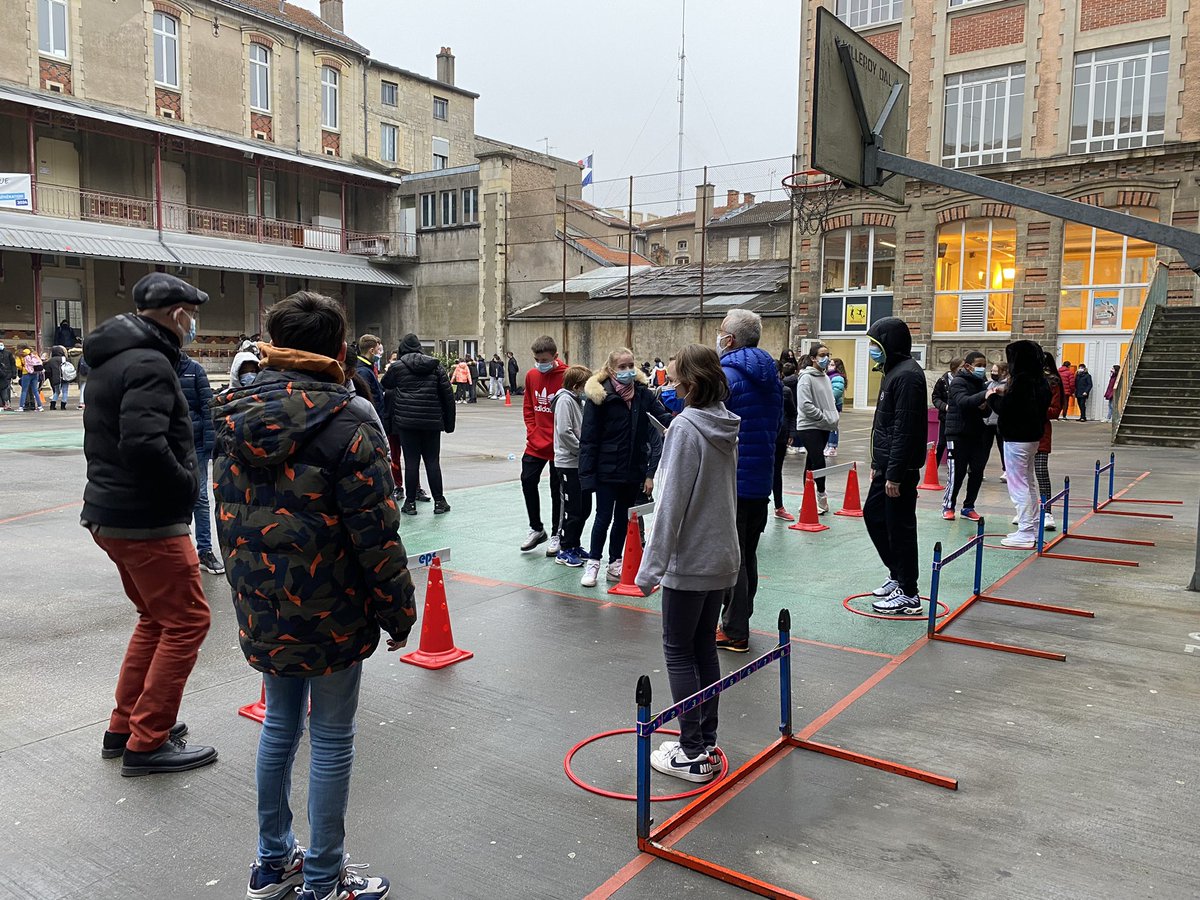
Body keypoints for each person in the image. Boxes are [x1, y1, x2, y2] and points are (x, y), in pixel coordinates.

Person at [211, 291, 415, 900]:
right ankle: (324, 875)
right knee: (329, 736)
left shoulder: (231, 410)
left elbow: (225, 518)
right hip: (330, 609)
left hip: (262, 605)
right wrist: (398, 611)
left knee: (279, 725)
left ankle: (272, 860)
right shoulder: (350, 418)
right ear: (338, 348)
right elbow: (376, 532)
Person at [82, 272, 216, 775]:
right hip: (146, 520)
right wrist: (186, 487)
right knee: (187, 622)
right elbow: (143, 443)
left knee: (156, 618)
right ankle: (147, 740)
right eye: (191, 312)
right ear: (176, 314)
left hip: (112, 513)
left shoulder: (113, 358)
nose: (193, 322)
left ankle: (126, 726)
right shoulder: (149, 364)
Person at [636, 343, 740, 783]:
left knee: (679, 651)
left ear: (692, 385)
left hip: (691, 559)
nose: (671, 389)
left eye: (676, 382)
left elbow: (670, 505)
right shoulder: (725, 425)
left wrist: (649, 569)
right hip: (720, 557)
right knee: (702, 649)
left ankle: (692, 749)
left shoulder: (685, 428)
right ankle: (704, 741)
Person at [715, 308, 783, 651]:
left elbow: (709, 418)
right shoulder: (770, 375)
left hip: (733, 479)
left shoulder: (726, 374)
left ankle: (735, 629)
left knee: (732, 558)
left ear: (730, 339)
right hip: (759, 478)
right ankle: (739, 620)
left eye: (721, 331)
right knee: (748, 555)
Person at [578, 348, 671, 587]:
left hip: (632, 470)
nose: (628, 370)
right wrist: (587, 478)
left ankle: (614, 563)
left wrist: (682, 423)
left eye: (631, 365)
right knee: (603, 517)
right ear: (610, 370)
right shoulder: (599, 398)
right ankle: (593, 562)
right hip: (606, 470)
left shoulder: (642, 394)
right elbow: (588, 440)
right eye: (622, 367)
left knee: (622, 518)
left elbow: (662, 416)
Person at [863, 317, 928, 615]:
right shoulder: (893, 372)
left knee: (900, 527)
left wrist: (894, 473)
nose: (872, 351)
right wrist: (879, 464)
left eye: (875, 345)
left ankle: (909, 592)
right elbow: (885, 426)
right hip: (887, 466)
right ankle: (897, 574)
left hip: (899, 471)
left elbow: (904, 429)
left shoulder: (908, 376)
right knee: (874, 515)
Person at [381, 333, 455, 515]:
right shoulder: (435, 366)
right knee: (432, 461)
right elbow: (448, 396)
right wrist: (449, 424)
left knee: (411, 462)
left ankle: (410, 503)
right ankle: (439, 502)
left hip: (407, 423)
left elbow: (386, 384)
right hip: (432, 422)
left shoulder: (397, 367)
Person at [987, 341, 1051, 549]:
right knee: (1028, 483)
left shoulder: (1022, 382)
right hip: (1032, 438)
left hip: (1017, 438)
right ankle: (1032, 526)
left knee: (1019, 486)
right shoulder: (1040, 381)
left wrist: (992, 397)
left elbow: (1009, 409)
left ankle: (1025, 531)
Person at [174, 349, 222, 576]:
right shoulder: (154, 369)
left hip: (196, 444)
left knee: (201, 497)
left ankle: (205, 551)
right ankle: (176, 553)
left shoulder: (194, 370)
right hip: (168, 445)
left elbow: (207, 407)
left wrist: (211, 443)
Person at [518, 336, 567, 554]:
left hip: (559, 445)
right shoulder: (531, 375)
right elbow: (529, 406)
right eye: (537, 359)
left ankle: (557, 533)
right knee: (527, 480)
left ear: (555, 357)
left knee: (557, 490)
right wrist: (532, 430)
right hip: (536, 443)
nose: (540, 363)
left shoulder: (567, 376)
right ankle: (536, 528)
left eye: (544, 359)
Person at [941, 352, 991, 522]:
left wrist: (985, 405)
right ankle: (948, 506)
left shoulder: (982, 384)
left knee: (977, 471)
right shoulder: (958, 382)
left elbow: (986, 410)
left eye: (984, 365)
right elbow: (964, 402)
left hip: (976, 433)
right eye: (979, 365)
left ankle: (968, 507)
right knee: (957, 472)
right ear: (968, 366)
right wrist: (984, 396)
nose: (982, 368)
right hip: (957, 434)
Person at [552, 365, 593, 568]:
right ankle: (565, 548)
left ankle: (575, 544)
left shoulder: (577, 401)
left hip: (580, 463)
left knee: (585, 507)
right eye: (585, 385)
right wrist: (581, 450)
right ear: (577, 385)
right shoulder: (565, 401)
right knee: (573, 508)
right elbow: (564, 432)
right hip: (568, 463)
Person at [794, 351, 839, 514]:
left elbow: (830, 401)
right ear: (813, 358)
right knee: (818, 460)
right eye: (822, 354)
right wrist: (823, 416)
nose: (826, 358)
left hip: (824, 425)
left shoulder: (826, 377)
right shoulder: (806, 378)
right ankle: (821, 495)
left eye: (828, 354)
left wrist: (831, 417)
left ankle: (808, 497)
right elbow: (805, 405)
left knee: (811, 462)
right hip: (808, 426)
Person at [1035, 351, 1065, 532]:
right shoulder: (1025, 379)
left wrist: (1035, 409)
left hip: (1040, 432)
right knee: (1022, 475)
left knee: (1040, 471)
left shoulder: (1053, 382)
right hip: (1021, 433)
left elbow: (1055, 410)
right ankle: (1027, 509)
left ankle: (1046, 511)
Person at [773, 362, 797, 521]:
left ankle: (779, 506)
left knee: (777, 472)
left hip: (780, 438)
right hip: (764, 438)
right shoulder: (760, 391)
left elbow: (792, 413)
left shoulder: (785, 391)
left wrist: (791, 432)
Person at [931, 358, 961, 465]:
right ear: (954, 368)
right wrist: (945, 407)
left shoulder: (964, 380)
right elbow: (935, 398)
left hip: (960, 417)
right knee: (942, 443)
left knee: (957, 445)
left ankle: (955, 467)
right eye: (960, 368)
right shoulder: (943, 381)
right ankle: (934, 466)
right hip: (946, 417)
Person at [984, 362, 1008, 482]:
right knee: (984, 447)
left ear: (1003, 372)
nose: (993, 373)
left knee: (1003, 447)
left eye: (995, 371)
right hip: (987, 422)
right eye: (992, 371)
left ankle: (1007, 471)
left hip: (1000, 421)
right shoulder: (988, 384)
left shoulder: (1007, 386)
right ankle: (979, 469)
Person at [353, 333, 386, 416]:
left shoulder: (367, 368)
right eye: (378, 350)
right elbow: (365, 398)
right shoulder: (363, 371)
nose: (380, 353)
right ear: (371, 351)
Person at [825, 357, 847, 458]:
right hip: (828, 404)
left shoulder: (837, 377)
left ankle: (832, 447)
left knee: (832, 426)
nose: (829, 366)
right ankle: (829, 445)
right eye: (829, 364)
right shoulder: (828, 376)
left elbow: (837, 391)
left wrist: (828, 399)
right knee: (827, 426)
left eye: (832, 365)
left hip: (833, 405)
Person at [17, 345, 43, 411]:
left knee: (24, 391)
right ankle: (40, 406)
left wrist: (23, 367)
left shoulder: (21, 355)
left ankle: (21, 407)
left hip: (26, 374)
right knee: (35, 391)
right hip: (35, 373)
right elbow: (40, 362)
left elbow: (18, 365)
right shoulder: (34, 354)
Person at [45, 344, 70, 409]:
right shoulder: (65, 359)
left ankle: (52, 405)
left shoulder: (51, 360)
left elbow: (48, 371)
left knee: (56, 392)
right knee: (65, 391)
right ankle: (63, 406)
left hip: (55, 378)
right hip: (65, 377)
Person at [0, 340, 16, 411]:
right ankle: (2, 404)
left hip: (7, 374)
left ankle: (7, 403)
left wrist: (14, 373)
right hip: (2, 373)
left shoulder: (8, 353)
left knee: (6, 389)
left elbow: (13, 363)